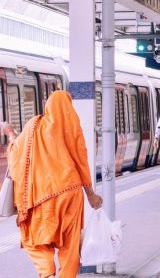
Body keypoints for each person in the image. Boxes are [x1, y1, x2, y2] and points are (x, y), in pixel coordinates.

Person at [2, 91, 103, 278]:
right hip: (70, 192)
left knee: (37, 240)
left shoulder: (34, 125)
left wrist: (10, 134)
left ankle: (46, 272)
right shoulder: (73, 128)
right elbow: (81, 161)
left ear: (48, 106)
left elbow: (16, 155)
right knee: (70, 245)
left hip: (42, 195)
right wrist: (90, 194)